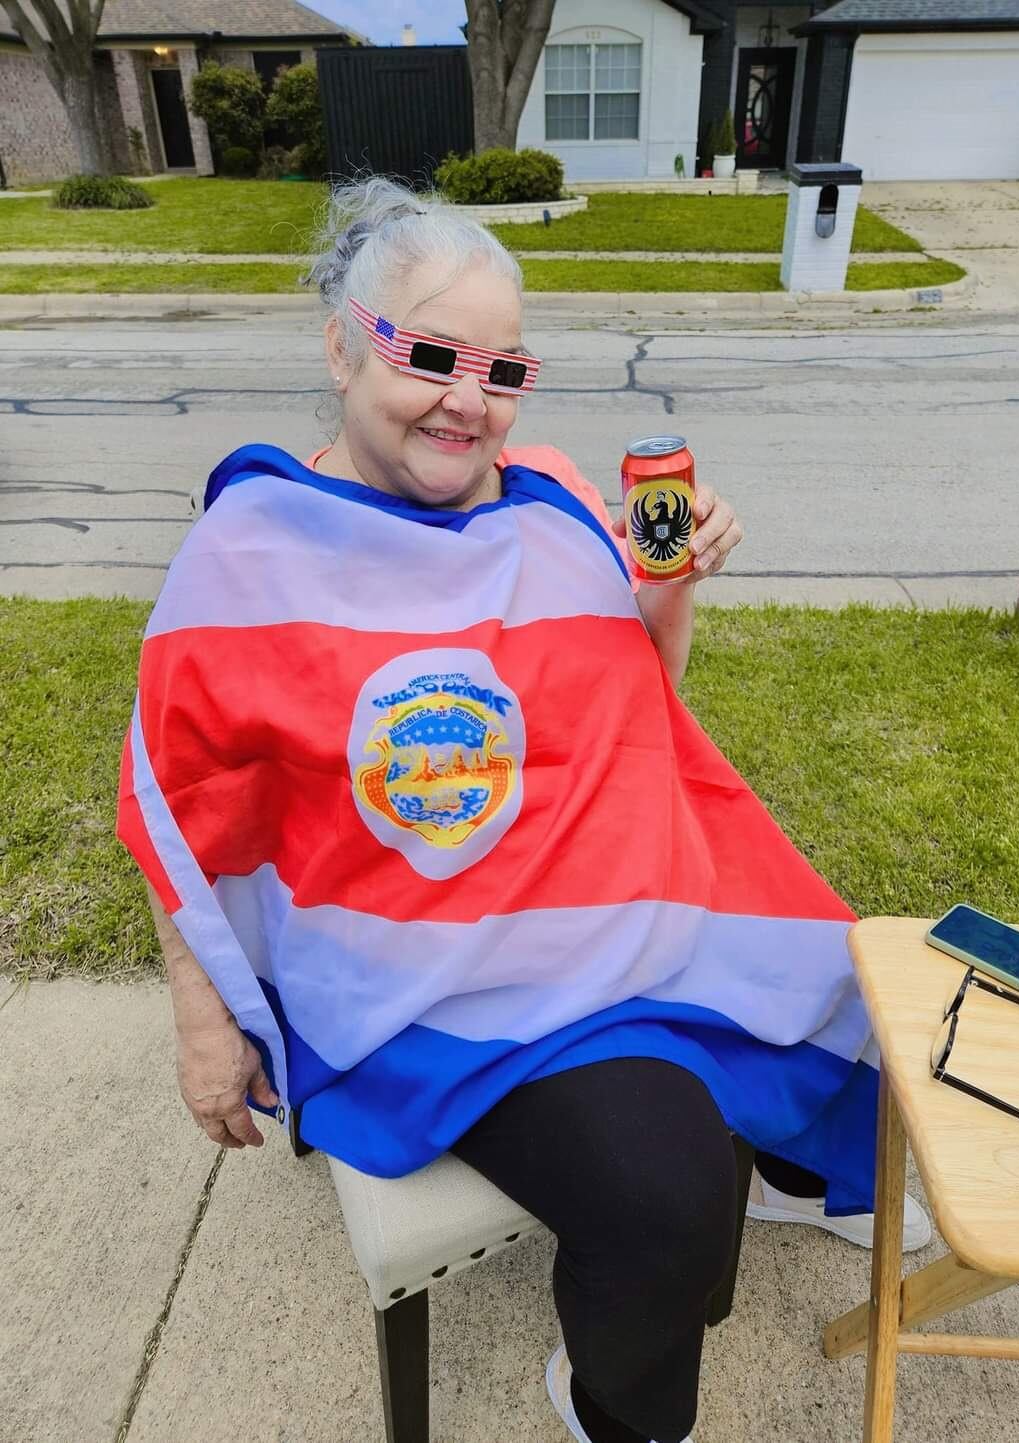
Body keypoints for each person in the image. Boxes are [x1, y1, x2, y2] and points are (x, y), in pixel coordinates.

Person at [118, 177, 929, 1443]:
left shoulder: (545, 491)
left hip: (604, 903)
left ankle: (750, 1156)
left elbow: (636, 697)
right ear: (339, 345)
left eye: (503, 368)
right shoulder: (252, 549)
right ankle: (615, 1407)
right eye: (428, 355)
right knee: (668, 1203)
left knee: (854, 998)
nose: (468, 399)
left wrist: (674, 581)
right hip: (433, 979)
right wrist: (200, 1021)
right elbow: (178, 800)